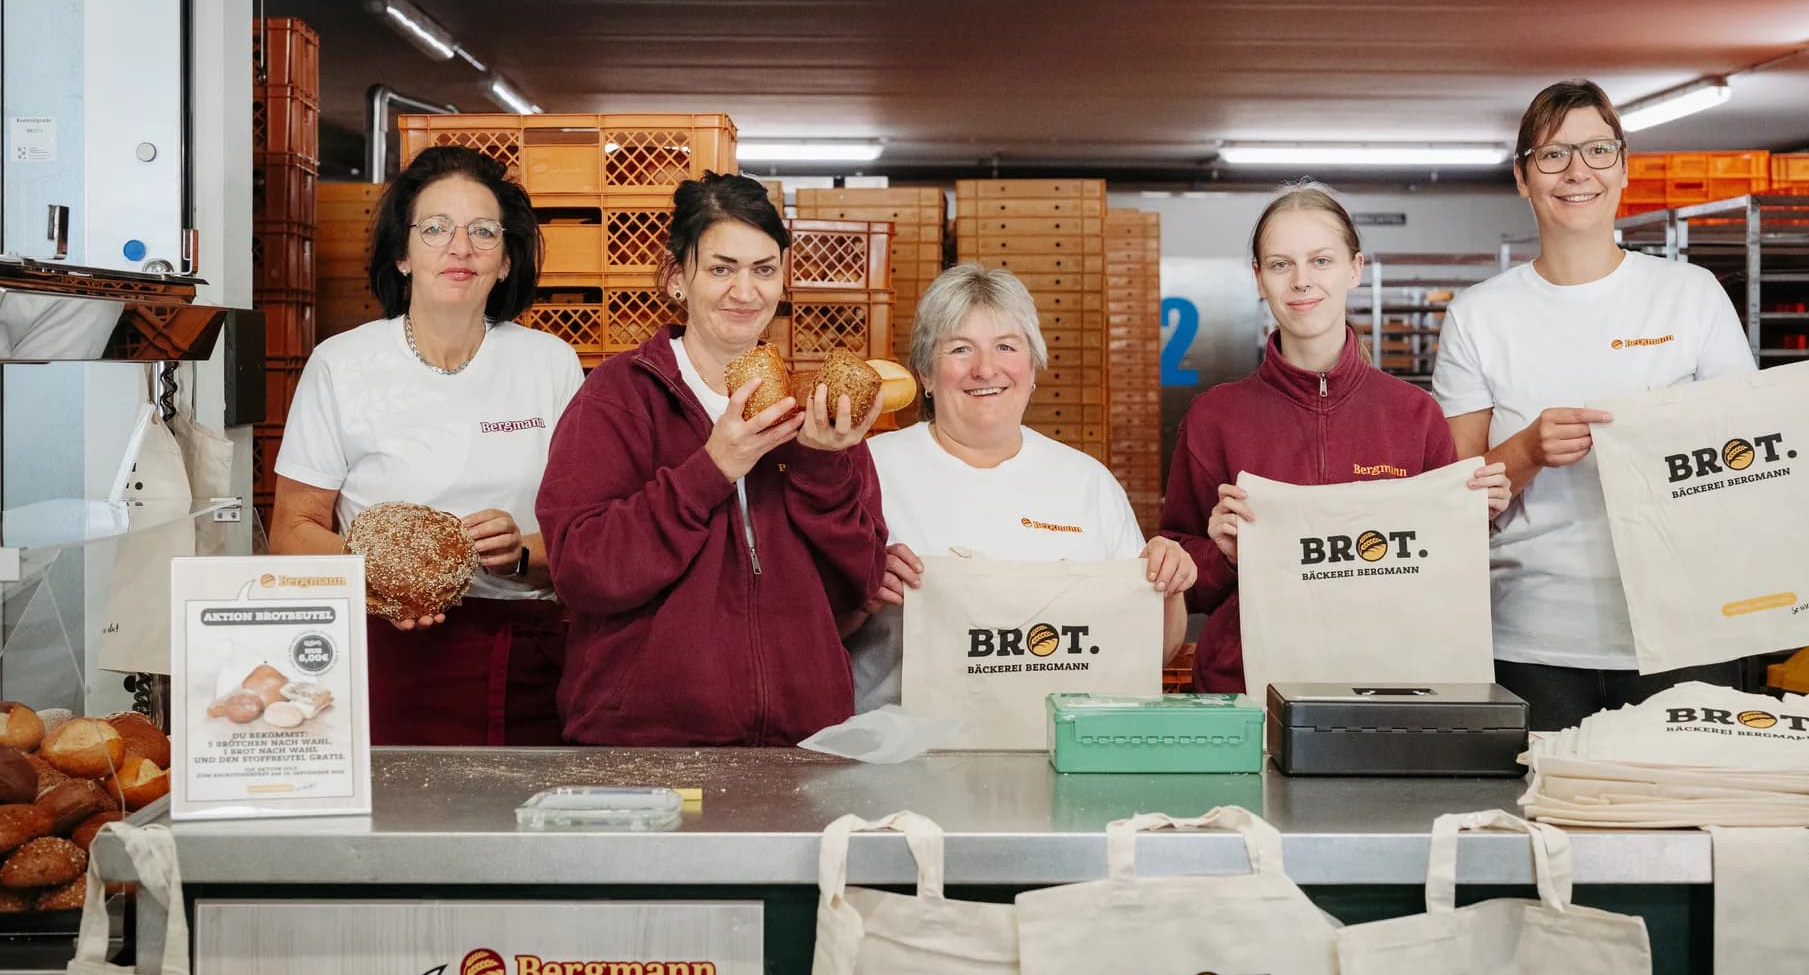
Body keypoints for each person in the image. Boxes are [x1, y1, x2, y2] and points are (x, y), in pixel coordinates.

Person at [1432, 79, 1809, 730]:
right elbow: (1451, 496)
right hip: (1531, 637)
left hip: (1689, 626)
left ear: (1623, 167)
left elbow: (1749, 445)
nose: (1577, 172)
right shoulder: (1480, 316)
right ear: (1522, 177)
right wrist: (1528, 450)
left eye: (1597, 150)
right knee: (1546, 824)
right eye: (1553, 155)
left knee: (1680, 820)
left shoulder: (1689, 295)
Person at [537, 172, 888, 746]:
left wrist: (822, 465)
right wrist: (711, 469)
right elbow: (581, 570)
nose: (745, 292)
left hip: (802, 742)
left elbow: (862, 583)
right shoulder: (620, 394)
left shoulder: (814, 405)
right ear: (678, 277)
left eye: (764, 269)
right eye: (722, 268)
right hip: (649, 743)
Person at [271, 146, 583, 745]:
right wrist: (384, 573)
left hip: (521, 654)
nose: (459, 247)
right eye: (435, 228)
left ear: (507, 260)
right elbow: (292, 529)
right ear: (402, 254)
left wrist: (522, 552)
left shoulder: (549, 363)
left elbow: (590, 532)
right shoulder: (342, 364)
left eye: (483, 231)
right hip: (383, 649)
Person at [1161, 183, 1509, 694]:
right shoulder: (1214, 417)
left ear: (1355, 268)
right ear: (1259, 278)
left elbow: (1443, 578)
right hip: (1247, 687)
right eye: (1280, 265)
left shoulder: (1414, 415)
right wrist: (1223, 554)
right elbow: (1182, 576)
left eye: (1321, 260)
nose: (1302, 281)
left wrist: (1473, 518)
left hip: (1388, 687)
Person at [844, 263, 1198, 709]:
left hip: (1055, 755)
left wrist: (1168, 585)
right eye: (959, 349)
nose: (985, 368)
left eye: (1006, 347)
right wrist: (860, 596)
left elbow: (1147, 653)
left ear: (1032, 368)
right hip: (901, 758)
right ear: (926, 376)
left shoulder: (1087, 483)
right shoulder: (868, 471)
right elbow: (803, 635)